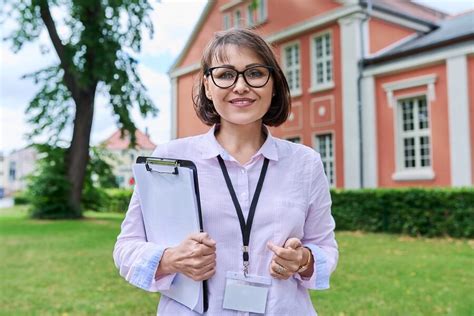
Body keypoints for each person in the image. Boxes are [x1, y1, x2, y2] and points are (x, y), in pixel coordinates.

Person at [113, 28, 338, 315]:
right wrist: (170, 259)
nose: (241, 86)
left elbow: (325, 247)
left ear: (273, 84)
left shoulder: (305, 163)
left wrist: (304, 260)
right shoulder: (169, 159)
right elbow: (126, 248)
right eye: (225, 74)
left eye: (255, 73)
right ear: (208, 86)